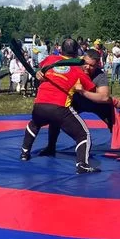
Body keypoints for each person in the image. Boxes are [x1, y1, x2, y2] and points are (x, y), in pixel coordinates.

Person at [39, 49, 120, 163]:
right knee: (57, 116)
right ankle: (51, 147)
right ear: (82, 59)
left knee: (113, 123)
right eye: (86, 63)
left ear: (98, 65)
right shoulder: (73, 67)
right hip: (77, 102)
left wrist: (84, 92)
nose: (87, 67)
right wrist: (39, 72)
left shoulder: (100, 75)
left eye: (91, 65)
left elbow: (103, 97)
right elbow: (52, 68)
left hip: (97, 103)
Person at [20, 38, 100, 174]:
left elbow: (40, 70)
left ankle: (24, 153)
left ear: (60, 50)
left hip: (39, 104)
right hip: (59, 107)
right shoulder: (78, 69)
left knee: (34, 123)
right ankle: (82, 164)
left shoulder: (50, 59)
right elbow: (92, 90)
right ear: (77, 52)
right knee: (83, 135)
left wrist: (41, 73)